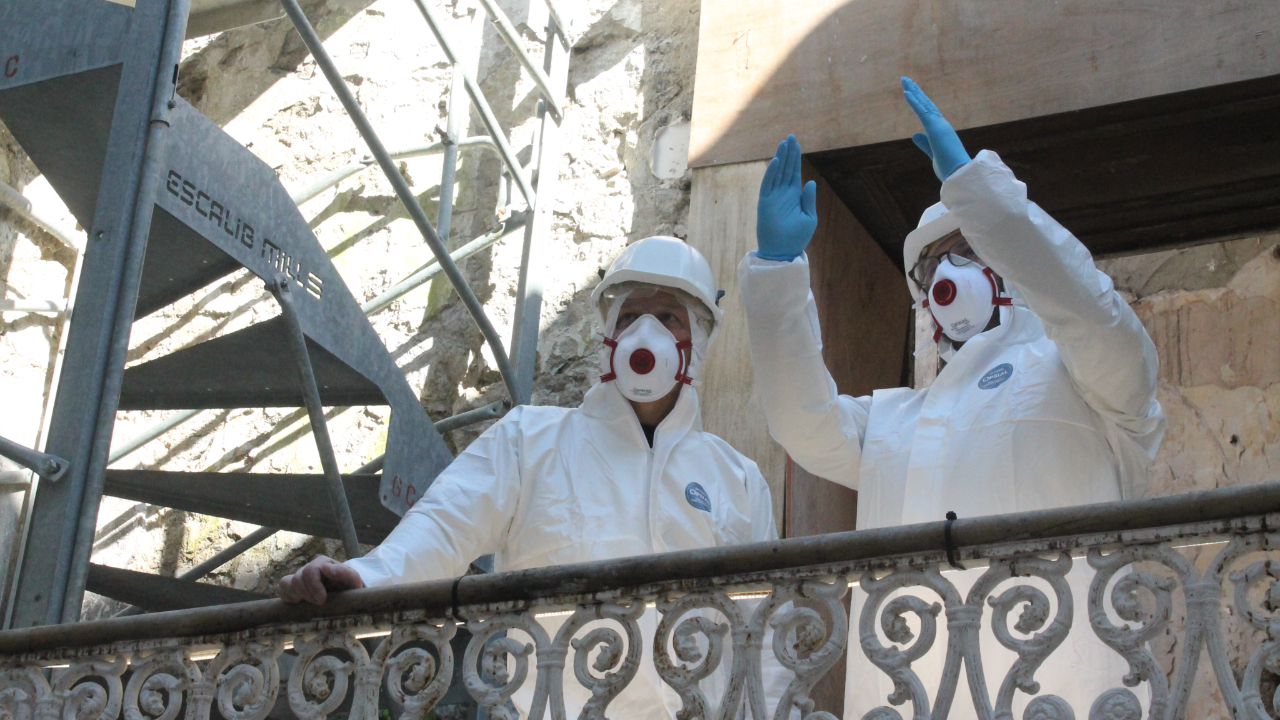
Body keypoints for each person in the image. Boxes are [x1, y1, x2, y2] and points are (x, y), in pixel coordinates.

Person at [738, 79, 1165, 718]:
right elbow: (802, 422)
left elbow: (1092, 315)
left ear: (1005, 262)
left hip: (1060, 696)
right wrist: (775, 276)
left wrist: (982, 197)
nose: (946, 276)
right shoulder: (892, 421)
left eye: (967, 251)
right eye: (931, 267)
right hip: (907, 698)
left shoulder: (1085, 377)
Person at [279, 236, 780, 720]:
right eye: (629, 316)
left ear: (698, 338)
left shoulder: (736, 479)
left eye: (668, 316)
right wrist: (367, 577)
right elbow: (444, 525)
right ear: (609, 332)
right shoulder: (530, 441)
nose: (644, 334)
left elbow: (771, 633)